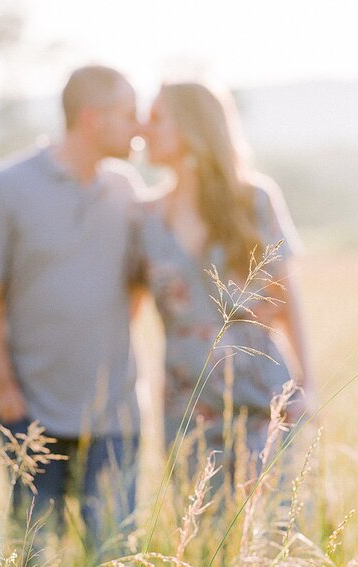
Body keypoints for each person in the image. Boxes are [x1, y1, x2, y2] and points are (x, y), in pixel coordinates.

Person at [0, 65, 142, 551]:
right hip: (32, 410)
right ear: (91, 119)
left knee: (116, 559)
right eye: (128, 115)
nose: (138, 126)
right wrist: (4, 389)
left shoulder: (126, 191)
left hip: (114, 418)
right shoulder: (4, 187)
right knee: (35, 564)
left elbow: (138, 286)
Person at [133, 80, 312, 495]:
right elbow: (126, 310)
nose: (144, 128)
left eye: (157, 118)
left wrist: (309, 386)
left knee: (271, 534)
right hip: (186, 406)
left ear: (190, 126)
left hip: (263, 395)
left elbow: (289, 298)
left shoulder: (253, 200)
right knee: (200, 546)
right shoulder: (144, 218)